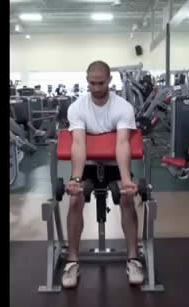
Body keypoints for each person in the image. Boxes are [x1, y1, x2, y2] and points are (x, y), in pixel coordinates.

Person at [62, 60, 144, 288]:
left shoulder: (123, 107)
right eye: (91, 83)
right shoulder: (77, 107)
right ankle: (72, 262)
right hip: (87, 164)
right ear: (86, 80)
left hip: (114, 164)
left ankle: (133, 259)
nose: (96, 88)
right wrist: (76, 179)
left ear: (109, 80)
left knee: (127, 197)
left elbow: (122, 144)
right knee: (75, 198)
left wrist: (126, 180)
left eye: (100, 82)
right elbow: (78, 144)